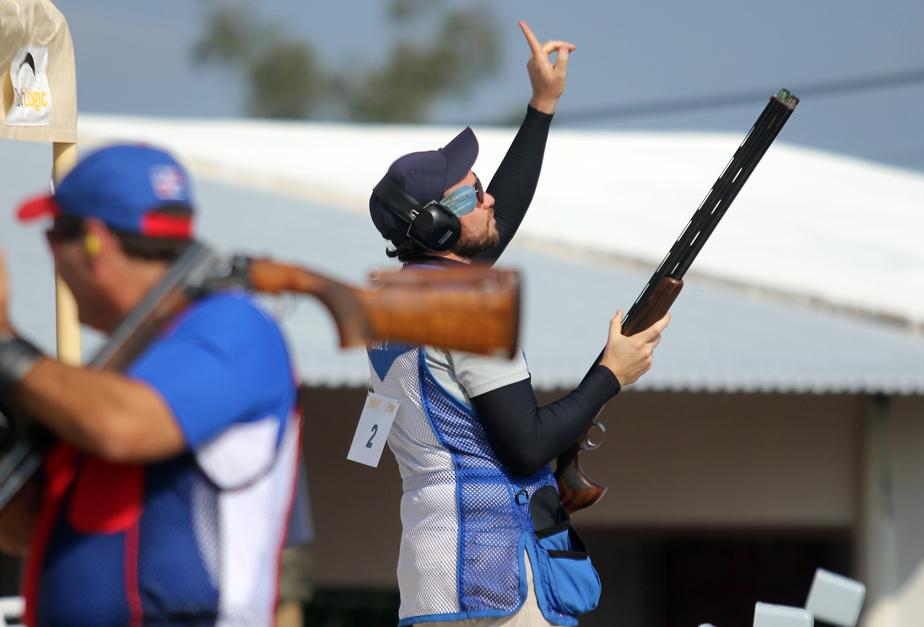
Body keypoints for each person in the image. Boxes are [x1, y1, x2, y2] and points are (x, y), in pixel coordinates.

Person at [367, 20, 670, 627]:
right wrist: (611, 374)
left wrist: (542, 106)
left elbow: (491, 227)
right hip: (491, 583)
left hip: (431, 586)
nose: (487, 198)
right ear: (434, 228)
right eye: (469, 194)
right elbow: (527, 443)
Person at [0, 144, 300, 626]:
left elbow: (122, 427)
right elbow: (23, 527)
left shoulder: (236, 328)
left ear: (95, 242)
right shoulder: (119, 366)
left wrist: (5, 346)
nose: (52, 259)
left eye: (55, 235)